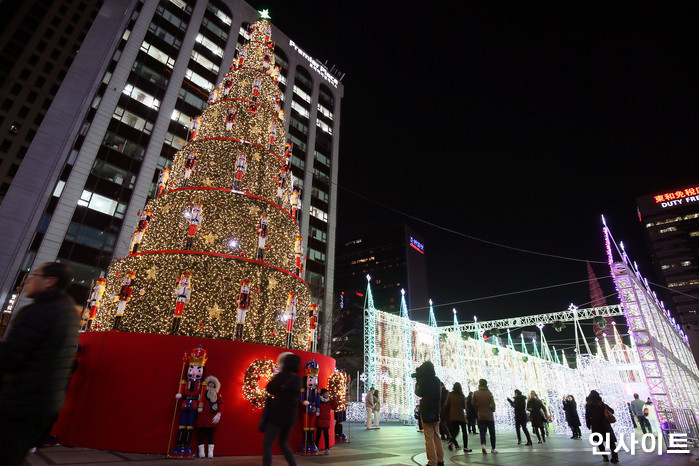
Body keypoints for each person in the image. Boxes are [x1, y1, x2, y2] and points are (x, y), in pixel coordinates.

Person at [0, 262, 80, 466]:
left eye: (35, 274)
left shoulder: (40, 311)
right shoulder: (67, 310)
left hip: (20, 403)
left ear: (50, 281)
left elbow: (11, 357)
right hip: (41, 404)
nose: (28, 279)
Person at [262, 352, 302, 466]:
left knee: (267, 444)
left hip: (277, 415)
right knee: (284, 444)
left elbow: (269, 389)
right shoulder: (298, 379)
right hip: (290, 417)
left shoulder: (281, 376)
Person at [414, 361, 444, 466]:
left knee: (429, 438)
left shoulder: (423, 381)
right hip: (436, 411)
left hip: (426, 411)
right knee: (437, 435)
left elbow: (418, 393)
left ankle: (432, 462)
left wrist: (418, 380)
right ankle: (440, 460)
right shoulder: (437, 380)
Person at [585, 390, 619, 463]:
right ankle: (615, 457)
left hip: (596, 425)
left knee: (600, 442)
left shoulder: (589, 405)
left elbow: (587, 416)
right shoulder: (602, 404)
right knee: (611, 442)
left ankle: (605, 457)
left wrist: (588, 425)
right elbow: (612, 411)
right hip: (605, 425)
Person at [195, 375, 222, 458]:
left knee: (211, 434)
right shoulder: (202, 393)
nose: (211, 385)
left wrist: (219, 413)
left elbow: (221, 404)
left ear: (215, 385)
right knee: (201, 434)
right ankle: (201, 452)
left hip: (211, 417)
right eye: (210, 383)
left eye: (212, 384)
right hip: (202, 417)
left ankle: (210, 452)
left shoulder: (217, 395)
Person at [472, 378, 497, 454]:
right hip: (489, 416)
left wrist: (478, 409)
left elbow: (473, 403)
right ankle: (493, 448)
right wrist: (492, 409)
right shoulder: (489, 393)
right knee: (492, 432)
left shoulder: (475, 393)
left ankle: (483, 445)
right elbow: (493, 405)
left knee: (482, 432)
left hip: (481, 415)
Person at [445, 382, 472, 452]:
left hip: (453, 416)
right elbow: (464, 406)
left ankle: (451, 441)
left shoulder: (450, 394)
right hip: (460, 415)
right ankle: (465, 447)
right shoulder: (461, 395)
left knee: (455, 431)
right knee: (464, 432)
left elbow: (446, 404)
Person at [315, 388, 336, 455]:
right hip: (320, 420)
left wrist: (335, 397)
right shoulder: (318, 401)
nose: (327, 395)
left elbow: (334, 406)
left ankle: (327, 449)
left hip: (326, 421)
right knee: (318, 435)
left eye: (328, 393)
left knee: (326, 436)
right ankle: (316, 448)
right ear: (322, 394)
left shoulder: (329, 401)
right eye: (326, 393)